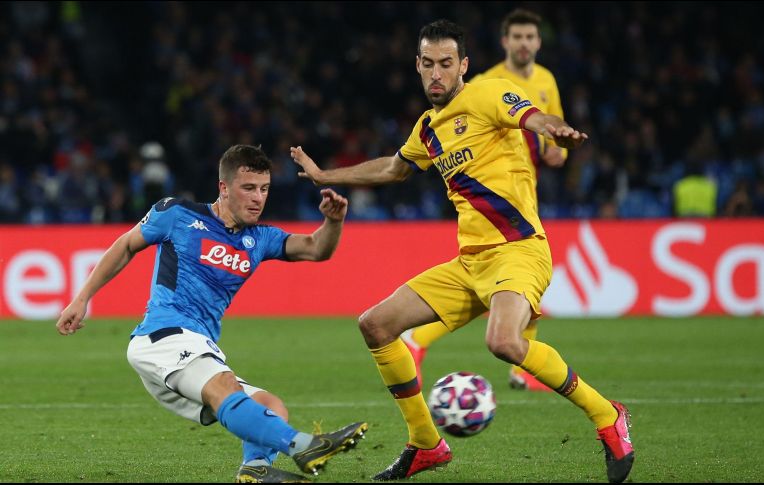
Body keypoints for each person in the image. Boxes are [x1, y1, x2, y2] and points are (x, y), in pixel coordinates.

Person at [290, 20, 634, 484]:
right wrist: (325, 175)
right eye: (428, 64)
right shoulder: (428, 129)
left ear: (463, 66)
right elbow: (394, 169)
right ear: (417, 66)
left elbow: (535, 117)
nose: (437, 74)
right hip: (470, 263)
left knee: (505, 342)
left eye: (446, 64)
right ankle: (426, 444)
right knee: (375, 324)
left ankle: (607, 415)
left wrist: (557, 130)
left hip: (518, 251)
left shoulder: (491, 94)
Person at [56, 144, 368, 483]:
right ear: (223, 187)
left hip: (198, 345)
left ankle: (255, 471)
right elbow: (127, 244)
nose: (257, 198)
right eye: (248, 188)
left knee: (271, 406)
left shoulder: (260, 238)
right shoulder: (177, 214)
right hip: (163, 335)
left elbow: (316, 248)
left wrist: (333, 222)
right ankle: (304, 445)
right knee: (225, 385)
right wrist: (82, 298)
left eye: (264, 189)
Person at [400, 8, 567, 392]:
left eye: (530, 37)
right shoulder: (486, 82)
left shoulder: (546, 80)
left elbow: (551, 124)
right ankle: (421, 341)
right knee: (510, 277)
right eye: (517, 37)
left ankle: (519, 368)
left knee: (521, 283)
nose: (524, 43)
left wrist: (559, 150)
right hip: (493, 195)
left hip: (525, 185)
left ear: (538, 42)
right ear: (505, 42)